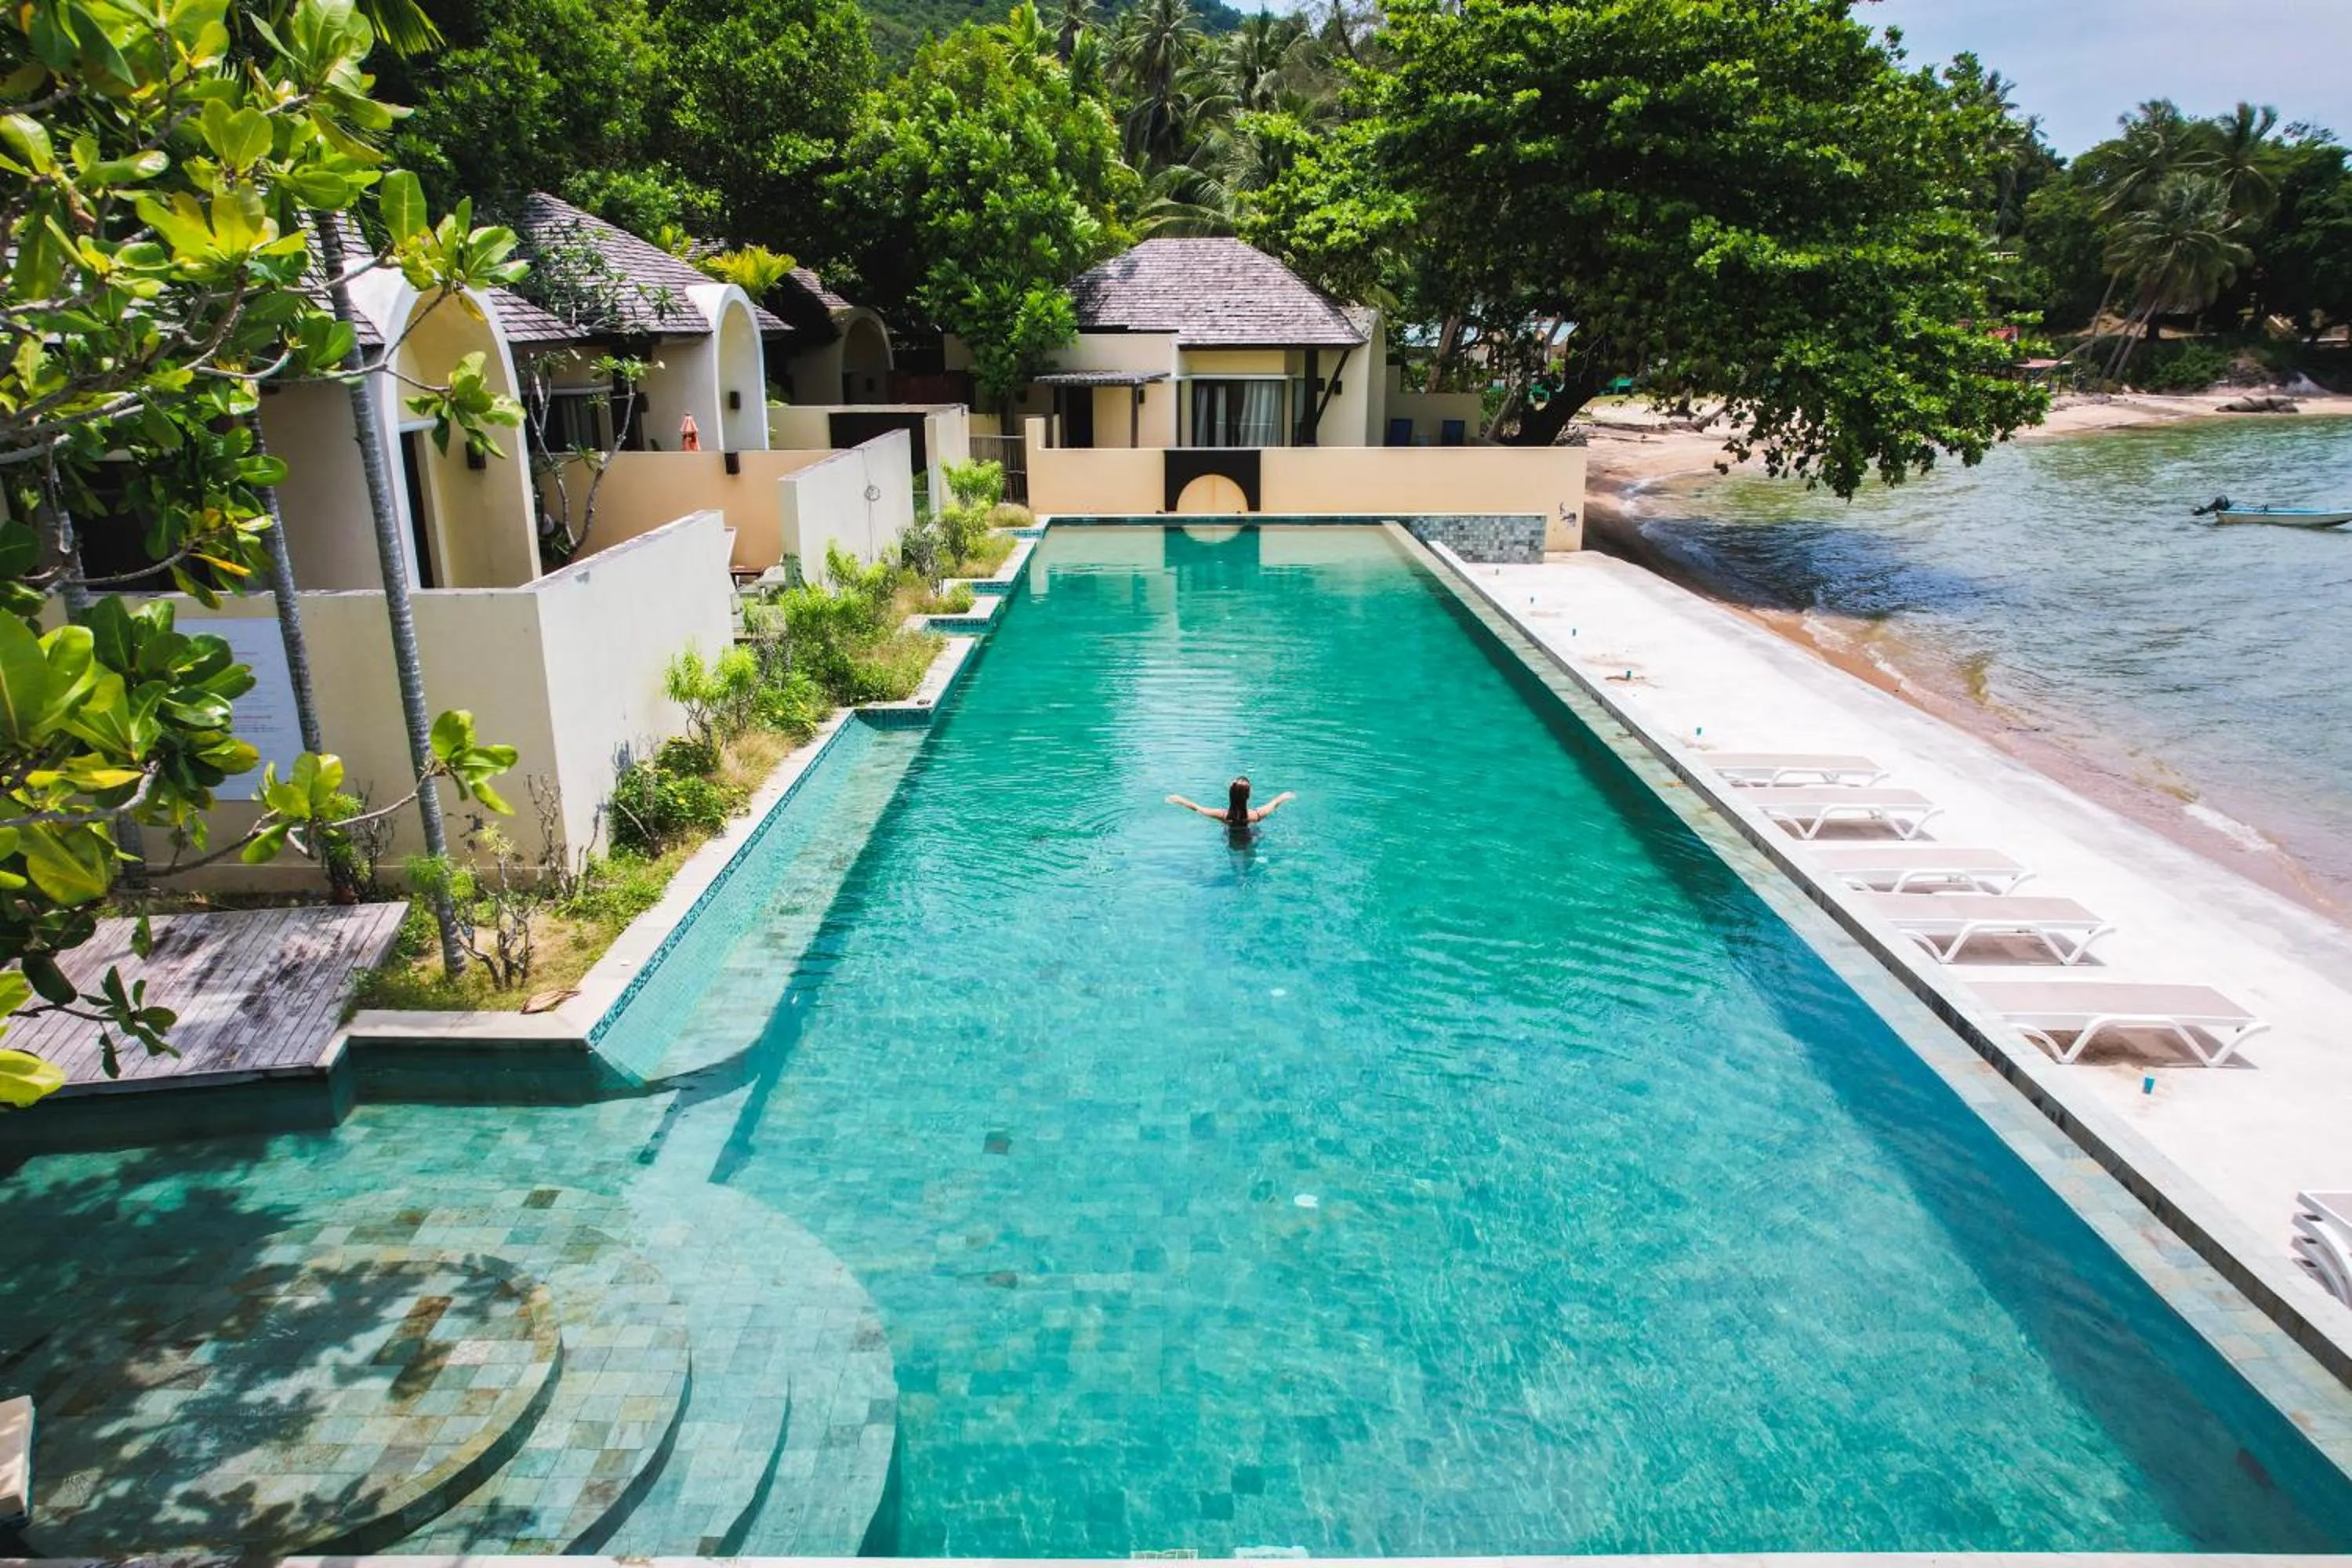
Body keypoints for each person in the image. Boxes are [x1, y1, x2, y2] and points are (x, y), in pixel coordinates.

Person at [1168, 776, 1295, 836]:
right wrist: (1283, 796)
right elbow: (1273, 804)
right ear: (1248, 795)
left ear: (1230, 795)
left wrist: (1180, 800)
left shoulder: (1223, 816)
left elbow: (1197, 808)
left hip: (1232, 844)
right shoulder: (1255, 815)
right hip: (1250, 840)